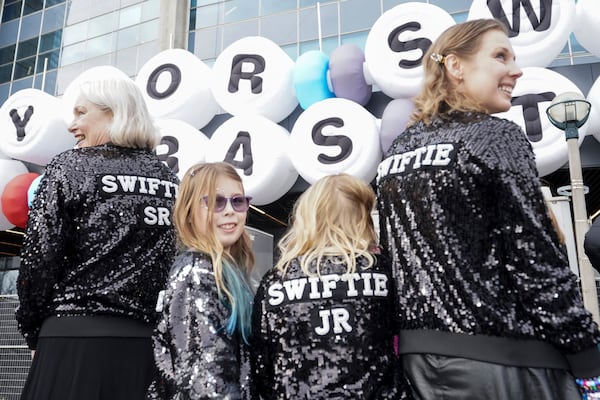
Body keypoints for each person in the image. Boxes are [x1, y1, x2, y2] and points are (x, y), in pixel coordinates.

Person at [375, 18, 600, 400]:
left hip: (419, 364)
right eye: (500, 56)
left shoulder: (398, 151)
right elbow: (535, 261)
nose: (516, 70)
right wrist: (588, 358)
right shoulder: (495, 135)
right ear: (455, 66)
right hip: (506, 363)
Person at [15, 76, 179, 400]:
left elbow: (38, 260)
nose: (71, 125)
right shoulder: (169, 179)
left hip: (71, 341)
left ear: (112, 113)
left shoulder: (69, 167)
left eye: (81, 113)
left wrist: (34, 332)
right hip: (144, 349)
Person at [251, 173, 412, 399]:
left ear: (306, 218)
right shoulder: (383, 271)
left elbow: (260, 363)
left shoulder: (275, 281)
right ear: (362, 220)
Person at [147, 161, 255, 399]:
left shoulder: (227, 270)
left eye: (237, 201)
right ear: (188, 211)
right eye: (215, 202)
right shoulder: (197, 273)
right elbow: (206, 378)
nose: (229, 210)